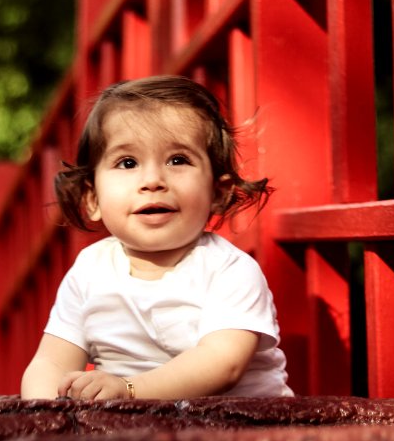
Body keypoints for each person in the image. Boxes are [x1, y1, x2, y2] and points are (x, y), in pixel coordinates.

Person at [21, 75, 291, 401]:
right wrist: (43, 415)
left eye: (178, 160)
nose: (152, 180)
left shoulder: (229, 270)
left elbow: (223, 363)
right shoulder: (91, 270)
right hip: (138, 430)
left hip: (240, 428)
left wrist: (130, 390)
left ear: (218, 193)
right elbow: (52, 360)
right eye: (128, 163)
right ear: (92, 198)